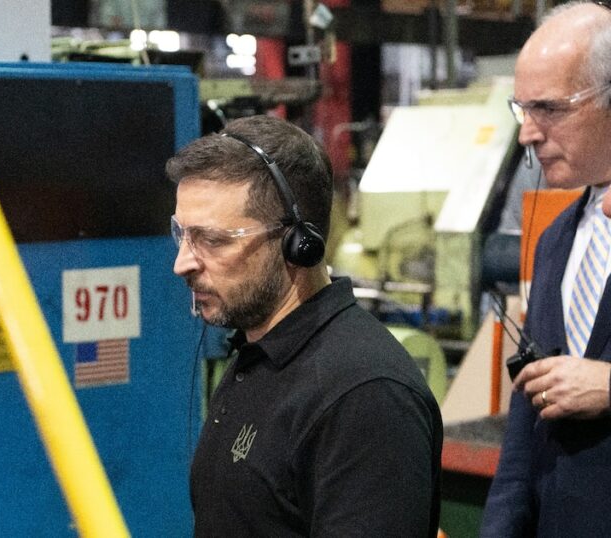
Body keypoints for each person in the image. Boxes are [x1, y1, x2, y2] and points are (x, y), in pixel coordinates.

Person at [168, 114, 442, 536]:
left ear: (299, 243)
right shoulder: (257, 356)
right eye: (182, 234)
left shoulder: (363, 396)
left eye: (212, 240)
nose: (182, 263)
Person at [482, 2, 611, 536]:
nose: (527, 135)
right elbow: (524, 430)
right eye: (522, 110)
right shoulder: (556, 241)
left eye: (549, 109)